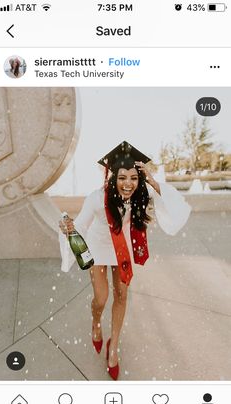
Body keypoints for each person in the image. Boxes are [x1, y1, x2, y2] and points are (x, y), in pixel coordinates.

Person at [59, 141, 191, 380]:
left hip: (123, 249)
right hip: (99, 247)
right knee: (101, 298)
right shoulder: (97, 198)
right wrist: (67, 228)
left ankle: (114, 346)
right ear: (112, 177)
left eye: (133, 177)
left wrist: (151, 180)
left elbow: (174, 207)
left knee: (121, 294)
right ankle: (96, 322)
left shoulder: (141, 195)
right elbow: (78, 226)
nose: (128, 184)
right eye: (122, 178)